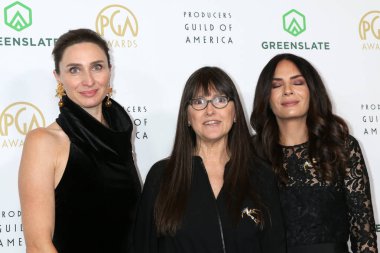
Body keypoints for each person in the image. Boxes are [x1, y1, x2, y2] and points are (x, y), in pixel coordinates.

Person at [133, 66, 285, 253]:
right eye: (199, 102)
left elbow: (275, 246)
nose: (210, 110)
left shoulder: (261, 175)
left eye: (220, 100)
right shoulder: (162, 176)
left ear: (235, 112)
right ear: (187, 117)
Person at [18, 28, 141, 253]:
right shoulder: (44, 142)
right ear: (58, 76)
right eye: (75, 69)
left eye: (97, 67)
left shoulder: (121, 133)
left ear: (110, 71)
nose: (89, 80)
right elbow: (37, 246)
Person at [250, 53, 378, 253]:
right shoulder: (251, 153)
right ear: (265, 96)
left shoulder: (341, 147)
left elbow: (363, 233)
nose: (288, 91)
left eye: (298, 82)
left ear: (312, 90)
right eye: (276, 85)